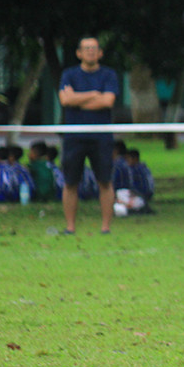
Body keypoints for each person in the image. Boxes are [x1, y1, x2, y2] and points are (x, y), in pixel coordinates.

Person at [58, 36, 119, 234]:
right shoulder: (69, 74)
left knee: (105, 181)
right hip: (74, 135)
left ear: (100, 53)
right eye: (86, 48)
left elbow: (107, 102)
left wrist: (78, 98)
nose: (91, 51)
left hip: (101, 136)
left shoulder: (109, 75)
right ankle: (70, 227)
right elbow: (65, 100)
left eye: (94, 48)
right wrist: (93, 94)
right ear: (79, 53)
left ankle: (105, 227)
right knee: (70, 182)